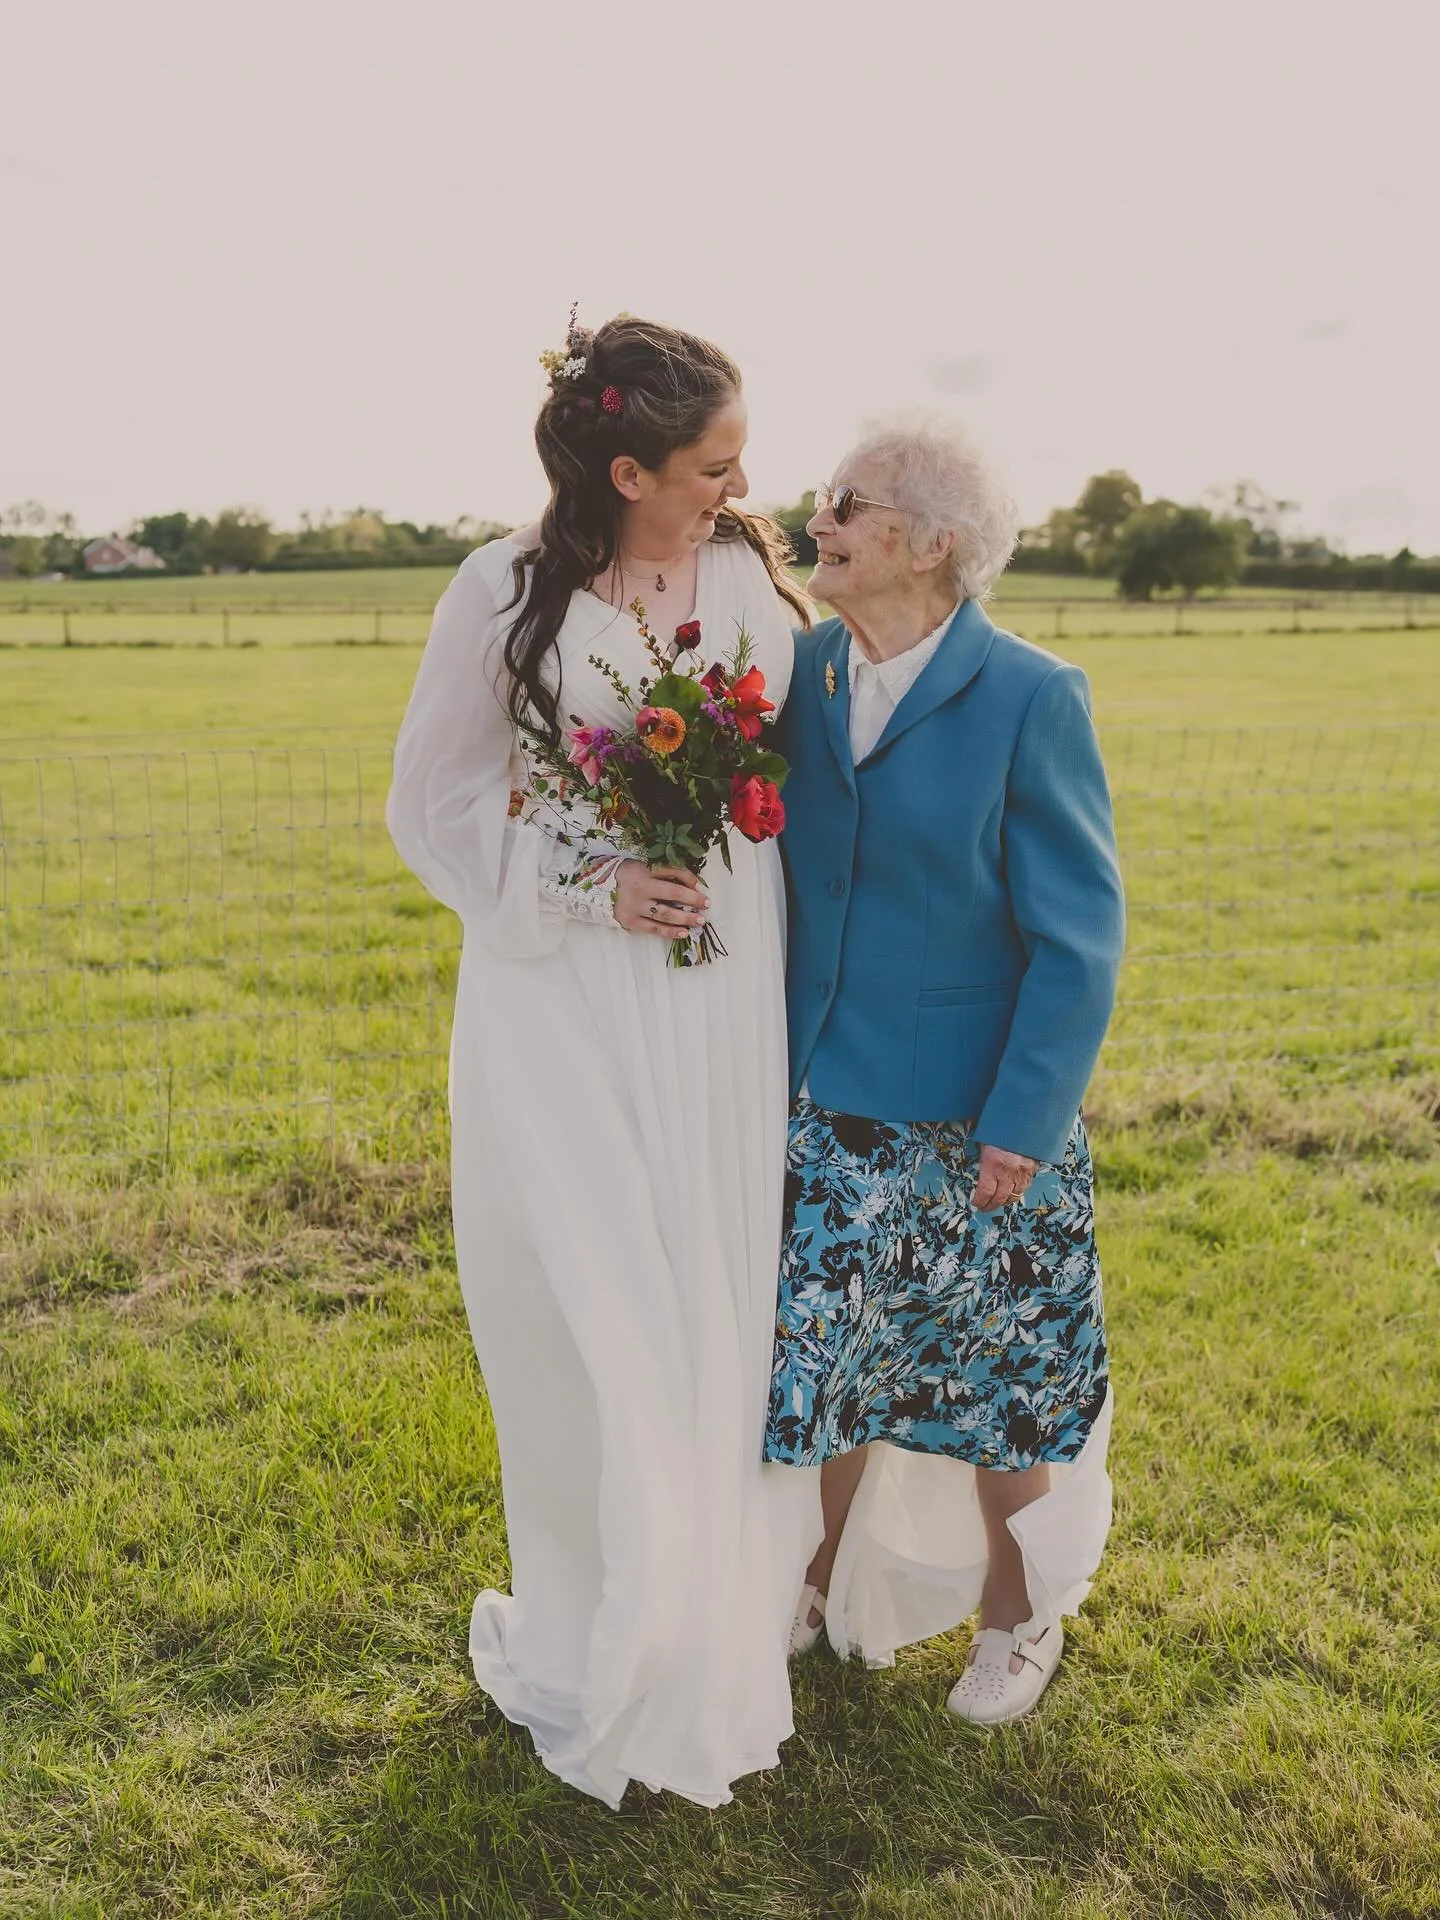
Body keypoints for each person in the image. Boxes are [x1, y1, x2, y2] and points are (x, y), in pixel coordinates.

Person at [386, 314, 819, 1807]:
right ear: (626, 466)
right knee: (591, 1307)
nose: (740, 479)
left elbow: (805, 766)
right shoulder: (504, 586)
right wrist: (590, 885)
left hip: (720, 982)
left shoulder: (755, 578)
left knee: (714, 1279)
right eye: (710, 462)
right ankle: (598, 1624)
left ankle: (719, 1612)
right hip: (561, 985)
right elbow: (432, 804)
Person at [764, 416, 1125, 1724]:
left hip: (984, 1128)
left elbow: (1078, 941)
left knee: (1004, 1391)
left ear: (930, 545)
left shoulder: (1035, 696)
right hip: (830, 1109)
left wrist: (1022, 1124)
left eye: (847, 505)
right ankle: (800, 1592)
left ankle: (1019, 1626)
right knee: (826, 1378)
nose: (821, 523)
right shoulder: (799, 669)